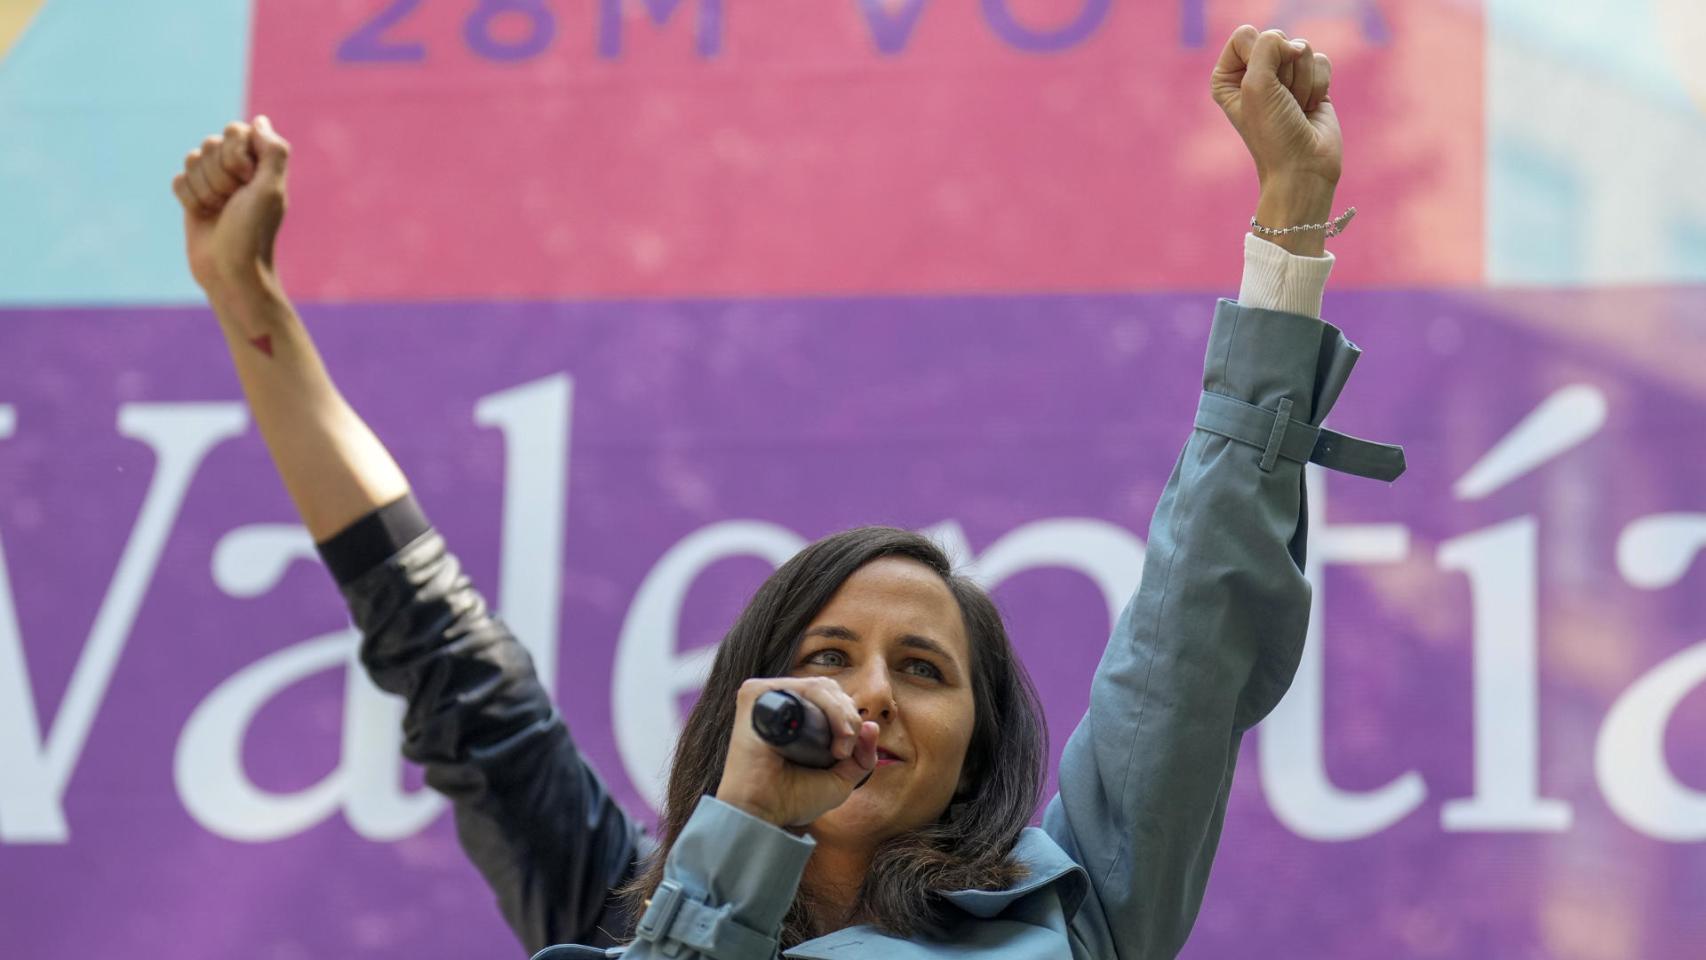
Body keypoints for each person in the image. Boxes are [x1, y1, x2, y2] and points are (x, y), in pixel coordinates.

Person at [171, 24, 1402, 960]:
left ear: (971, 756)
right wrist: (252, 315)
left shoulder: (1078, 907)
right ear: (751, 703)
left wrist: (1288, 225)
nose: (866, 694)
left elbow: (1189, 635)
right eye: (828, 656)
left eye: (921, 671)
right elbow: (436, 644)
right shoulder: (614, 904)